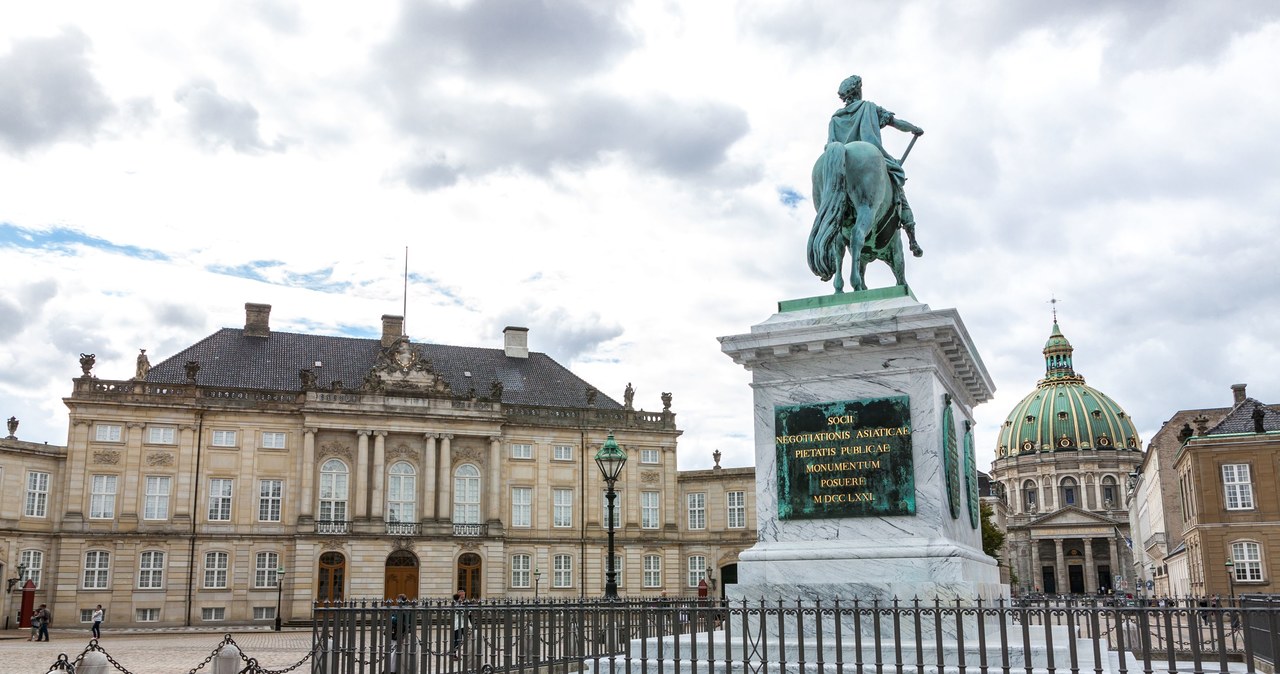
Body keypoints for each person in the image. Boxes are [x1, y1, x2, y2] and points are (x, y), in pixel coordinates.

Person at [826, 75, 925, 256]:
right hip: (871, 159)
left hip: (840, 165)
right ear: (858, 91)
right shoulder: (868, 108)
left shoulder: (834, 120)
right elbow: (896, 123)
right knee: (896, 184)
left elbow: (830, 146)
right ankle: (912, 238)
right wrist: (914, 128)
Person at [450, 590, 470, 660]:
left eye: (464, 595)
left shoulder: (461, 603)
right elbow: (463, 613)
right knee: (458, 640)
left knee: (464, 639)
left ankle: (458, 654)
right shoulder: (457, 603)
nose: (463, 596)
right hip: (458, 625)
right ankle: (453, 654)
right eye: (461, 595)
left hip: (462, 624)